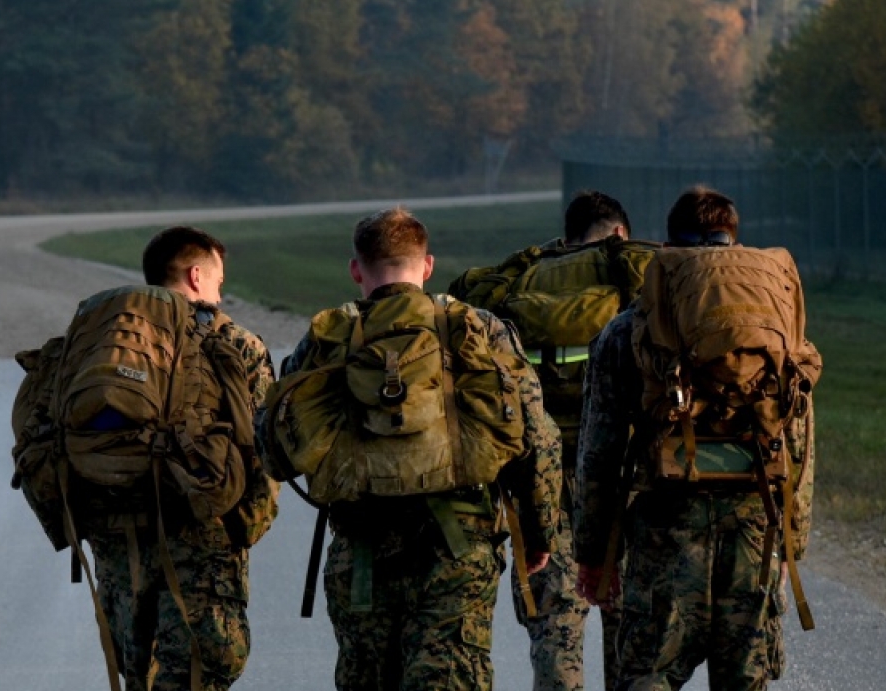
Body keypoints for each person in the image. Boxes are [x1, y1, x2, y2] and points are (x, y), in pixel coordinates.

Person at [261, 207, 564, 691]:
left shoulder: (328, 336)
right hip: (457, 550)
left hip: (361, 551)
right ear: (426, 266)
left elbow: (272, 445)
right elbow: (538, 437)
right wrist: (540, 529)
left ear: (356, 270)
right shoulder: (479, 328)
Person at [573, 187, 819, 691]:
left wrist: (593, 553)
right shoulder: (775, 333)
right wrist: (792, 537)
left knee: (647, 675)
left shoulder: (628, 331)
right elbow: (799, 438)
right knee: (744, 679)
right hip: (754, 530)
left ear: (666, 249)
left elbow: (599, 451)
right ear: (735, 243)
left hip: (665, 531)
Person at [43, 227, 279, 691]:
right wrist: (241, 531)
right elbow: (264, 449)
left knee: (140, 676)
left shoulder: (100, 344)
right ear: (196, 276)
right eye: (217, 280)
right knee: (198, 671)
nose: (220, 291)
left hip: (116, 542)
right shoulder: (234, 343)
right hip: (199, 541)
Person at [450, 190, 656, 691]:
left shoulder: (521, 276)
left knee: (555, 631)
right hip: (623, 476)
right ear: (620, 234)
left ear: (568, 237)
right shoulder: (639, 273)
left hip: (537, 477)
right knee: (631, 625)